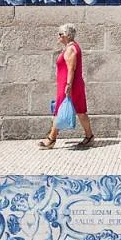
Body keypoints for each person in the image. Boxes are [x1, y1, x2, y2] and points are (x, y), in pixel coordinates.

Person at [37, 22, 95, 150]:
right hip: (74, 84)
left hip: (70, 85)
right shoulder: (73, 47)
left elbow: (71, 69)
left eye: (60, 34)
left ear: (68, 35)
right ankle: (89, 136)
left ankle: (51, 139)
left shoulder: (70, 49)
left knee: (59, 110)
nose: (58, 36)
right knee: (80, 111)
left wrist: (68, 85)